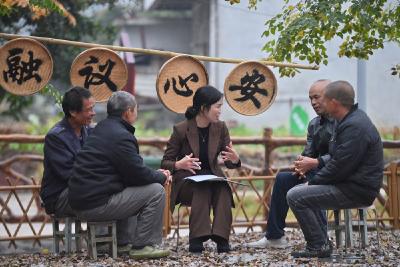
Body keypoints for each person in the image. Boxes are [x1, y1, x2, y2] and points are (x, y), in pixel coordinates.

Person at [68, 91, 171, 259]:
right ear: (128, 112)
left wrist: (154, 174)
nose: (137, 112)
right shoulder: (121, 136)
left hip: (81, 201)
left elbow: (131, 172)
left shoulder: (101, 128)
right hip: (95, 205)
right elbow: (136, 174)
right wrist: (161, 177)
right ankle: (143, 246)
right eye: (136, 109)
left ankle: (123, 243)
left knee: (132, 187)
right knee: (155, 191)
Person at [287, 80, 383, 258]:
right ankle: (321, 243)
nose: (317, 103)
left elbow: (340, 166)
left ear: (334, 103)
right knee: (298, 190)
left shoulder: (354, 126)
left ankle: (317, 245)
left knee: (296, 196)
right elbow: (337, 160)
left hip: (357, 189)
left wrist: (314, 182)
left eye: (322, 99)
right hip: (348, 184)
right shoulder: (348, 120)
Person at [247, 79, 335, 249]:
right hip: (317, 171)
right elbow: (308, 153)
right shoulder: (314, 124)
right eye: (310, 99)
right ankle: (274, 236)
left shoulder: (343, 122)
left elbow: (344, 156)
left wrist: (315, 163)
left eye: (317, 97)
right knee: (283, 178)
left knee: (311, 183)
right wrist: (300, 165)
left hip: (337, 174)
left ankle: (321, 238)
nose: (313, 102)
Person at [161, 85, 241, 253]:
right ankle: (197, 238)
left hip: (213, 178)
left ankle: (221, 238)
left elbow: (228, 162)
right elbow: (165, 162)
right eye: (217, 106)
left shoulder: (221, 128)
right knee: (202, 188)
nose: (220, 111)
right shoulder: (181, 129)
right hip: (187, 182)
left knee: (223, 188)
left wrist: (235, 159)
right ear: (204, 108)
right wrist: (178, 164)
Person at [40, 86, 95, 217]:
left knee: (122, 197)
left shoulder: (89, 131)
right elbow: (70, 174)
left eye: (93, 108)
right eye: (89, 110)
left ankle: (121, 238)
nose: (93, 113)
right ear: (73, 112)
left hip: (84, 188)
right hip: (60, 195)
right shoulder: (56, 137)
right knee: (103, 196)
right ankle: (103, 237)